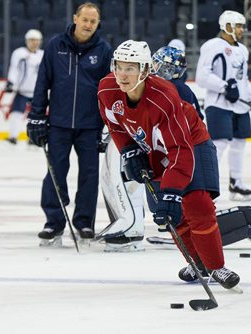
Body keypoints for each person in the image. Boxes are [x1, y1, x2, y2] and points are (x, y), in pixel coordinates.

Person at [98, 40, 240, 290]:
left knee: (197, 203)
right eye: (119, 66)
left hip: (191, 142)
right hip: (152, 148)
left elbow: (180, 150)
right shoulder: (107, 89)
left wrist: (173, 192)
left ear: (144, 71)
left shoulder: (163, 96)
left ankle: (216, 266)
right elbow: (116, 124)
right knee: (169, 215)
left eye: (130, 68)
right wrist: (129, 150)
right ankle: (198, 263)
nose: (122, 74)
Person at [27, 2, 113, 245]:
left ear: (98, 24)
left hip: (90, 126)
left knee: (89, 175)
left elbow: (108, 91)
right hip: (59, 123)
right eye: (84, 19)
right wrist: (36, 115)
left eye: (93, 21)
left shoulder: (104, 50)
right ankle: (53, 222)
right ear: (75, 18)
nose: (88, 25)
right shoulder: (56, 46)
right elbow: (42, 82)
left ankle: (84, 222)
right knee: (55, 172)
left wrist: (107, 123)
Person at [195, 10, 251, 201]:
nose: (241, 30)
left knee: (239, 143)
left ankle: (235, 183)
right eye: (238, 26)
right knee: (219, 144)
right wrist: (224, 86)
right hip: (219, 104)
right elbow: (202, 77)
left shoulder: (243, 50)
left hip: (240, 105)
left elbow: (242, 80)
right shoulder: (212, 46)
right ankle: (207, 185)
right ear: (227, 26)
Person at [4, 29, 44, 145]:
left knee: (36, 117)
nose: (34, 43)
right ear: (27, 41)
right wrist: (11, 82)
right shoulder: (19, 53)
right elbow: (14, 69)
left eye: (37, 40)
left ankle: (33, 138)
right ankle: (13, 136)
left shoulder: (43, 54)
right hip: (22, 90)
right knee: (16, 113)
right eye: (32, 40)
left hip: (37, 92)